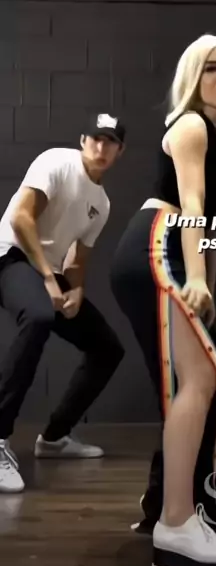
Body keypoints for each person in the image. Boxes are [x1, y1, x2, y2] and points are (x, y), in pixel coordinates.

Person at [110, 34, 216, 566]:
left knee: (197, 378)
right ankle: (176, 528)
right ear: (193, 80)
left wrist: (208, 287)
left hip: (175, 249)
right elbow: (192, 206)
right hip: (158, 244)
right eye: (210, 68)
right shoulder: (193, 126)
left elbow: (213, 227)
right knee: (200, 376)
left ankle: (172, 504)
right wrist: (195, 278)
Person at [0, 113, 126, 494]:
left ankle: (54, 437)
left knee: (107, 348)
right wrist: (47, 278)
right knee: (39, 316)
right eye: (95, 139)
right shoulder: (56, 162)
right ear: (83, 140)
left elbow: (77, 259)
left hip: (48, 271)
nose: (101, 148)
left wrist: (76, 290)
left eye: (110, 142)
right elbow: (22, 219)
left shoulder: (101, 203)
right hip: (11, 257)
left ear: (119, 151)